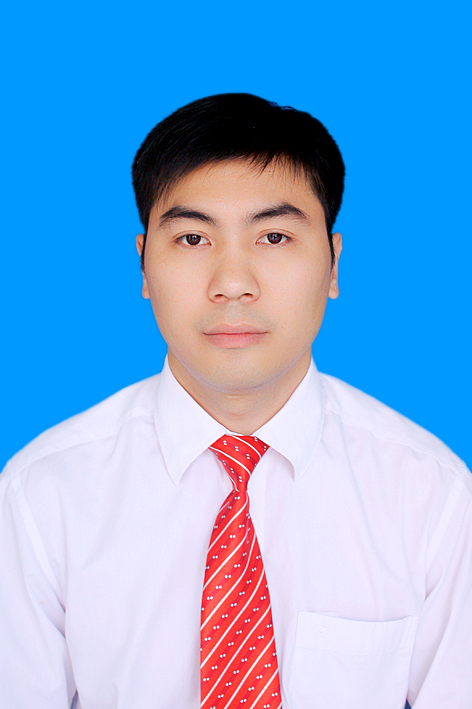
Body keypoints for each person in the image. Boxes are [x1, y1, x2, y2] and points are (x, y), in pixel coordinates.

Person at [0, 93, 471, 709]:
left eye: (274, 236)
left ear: (333, 264)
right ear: (143, 266)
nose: (232, 283)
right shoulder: (41, 495)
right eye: (193, 238)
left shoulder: (432, 495)